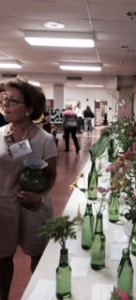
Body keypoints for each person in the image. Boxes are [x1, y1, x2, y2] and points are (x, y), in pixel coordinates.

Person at [0, 77, 57, 300]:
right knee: (3, 257)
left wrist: (39, 196)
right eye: (5, 99)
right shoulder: (0, 133)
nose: (6, 104)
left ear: (30, 108)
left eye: (13, 101)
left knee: (37, 255)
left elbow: (52, 175)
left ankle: (39, 295)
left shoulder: (44, 140)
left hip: (33, 207)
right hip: (3, 206)